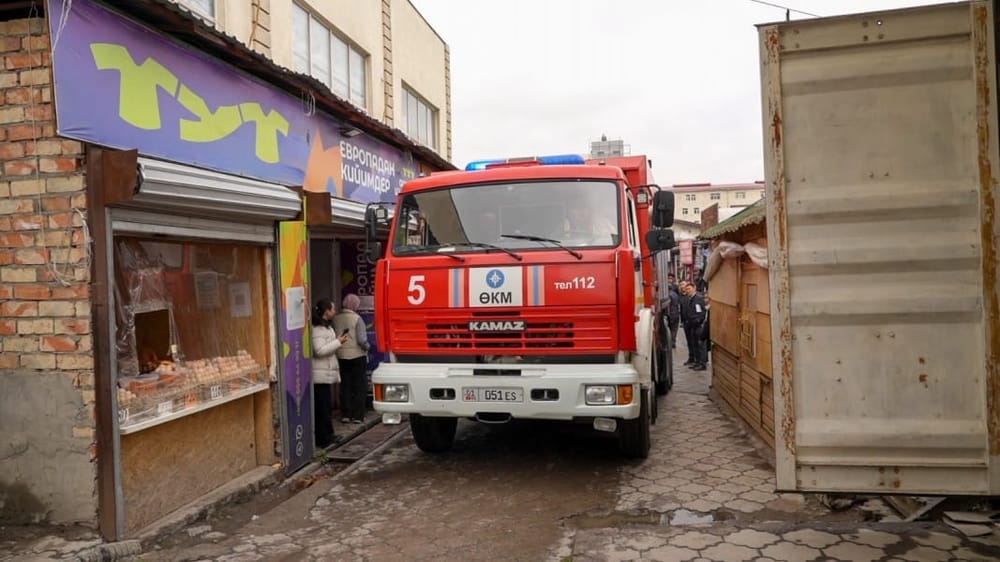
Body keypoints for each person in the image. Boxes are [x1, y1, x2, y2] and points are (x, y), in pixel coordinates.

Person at [311, 298, 347, 448]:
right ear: (326, 311)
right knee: (322, 408)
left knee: (325, 408)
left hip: (325, 373)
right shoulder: (318, 329)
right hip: (320, 375)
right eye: (332, 309)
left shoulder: (327, 327)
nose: (334, 311)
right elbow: (319, 351)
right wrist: (338, 342)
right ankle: (324, 438)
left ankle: (329, 435)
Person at [333, 293, 371, 424]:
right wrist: (367, 347)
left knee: (345, 385)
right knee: (359, 386)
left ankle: (346, 414)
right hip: (357, 356)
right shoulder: (357, 319)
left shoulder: (336, 318)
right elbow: (361, 340)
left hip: (341, 356)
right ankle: (358, 415)